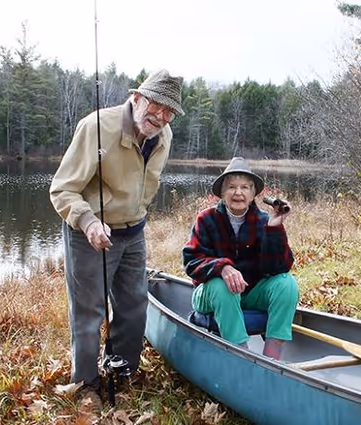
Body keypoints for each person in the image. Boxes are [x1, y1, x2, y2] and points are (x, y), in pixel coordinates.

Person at [49, 69, 185, 408]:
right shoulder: (96, 128)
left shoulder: (163, 135)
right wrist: (89, 221)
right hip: (89, 233)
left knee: (134, 305)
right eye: (156, 104)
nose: (161, 116)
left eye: (170, 111)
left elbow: (145, 185)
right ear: (136, 97)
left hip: (133, 232)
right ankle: (85, 385)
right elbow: (62, 189)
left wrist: (136, 216)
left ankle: (122, 370)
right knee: (89, 312)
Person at [182, 157, 299, 360]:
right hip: (211, 294)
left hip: (250, 293)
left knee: (287, 284)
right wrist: (223, 268)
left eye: (245, 187)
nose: (238, 193)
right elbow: (192, 262)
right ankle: (241, 356)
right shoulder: (206, 219)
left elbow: (279, 267)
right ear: (222, 193)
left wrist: (275, 228)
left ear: (253, 194)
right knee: (222, 286)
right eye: (231, 187)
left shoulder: (263, 220)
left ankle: (272, 358)